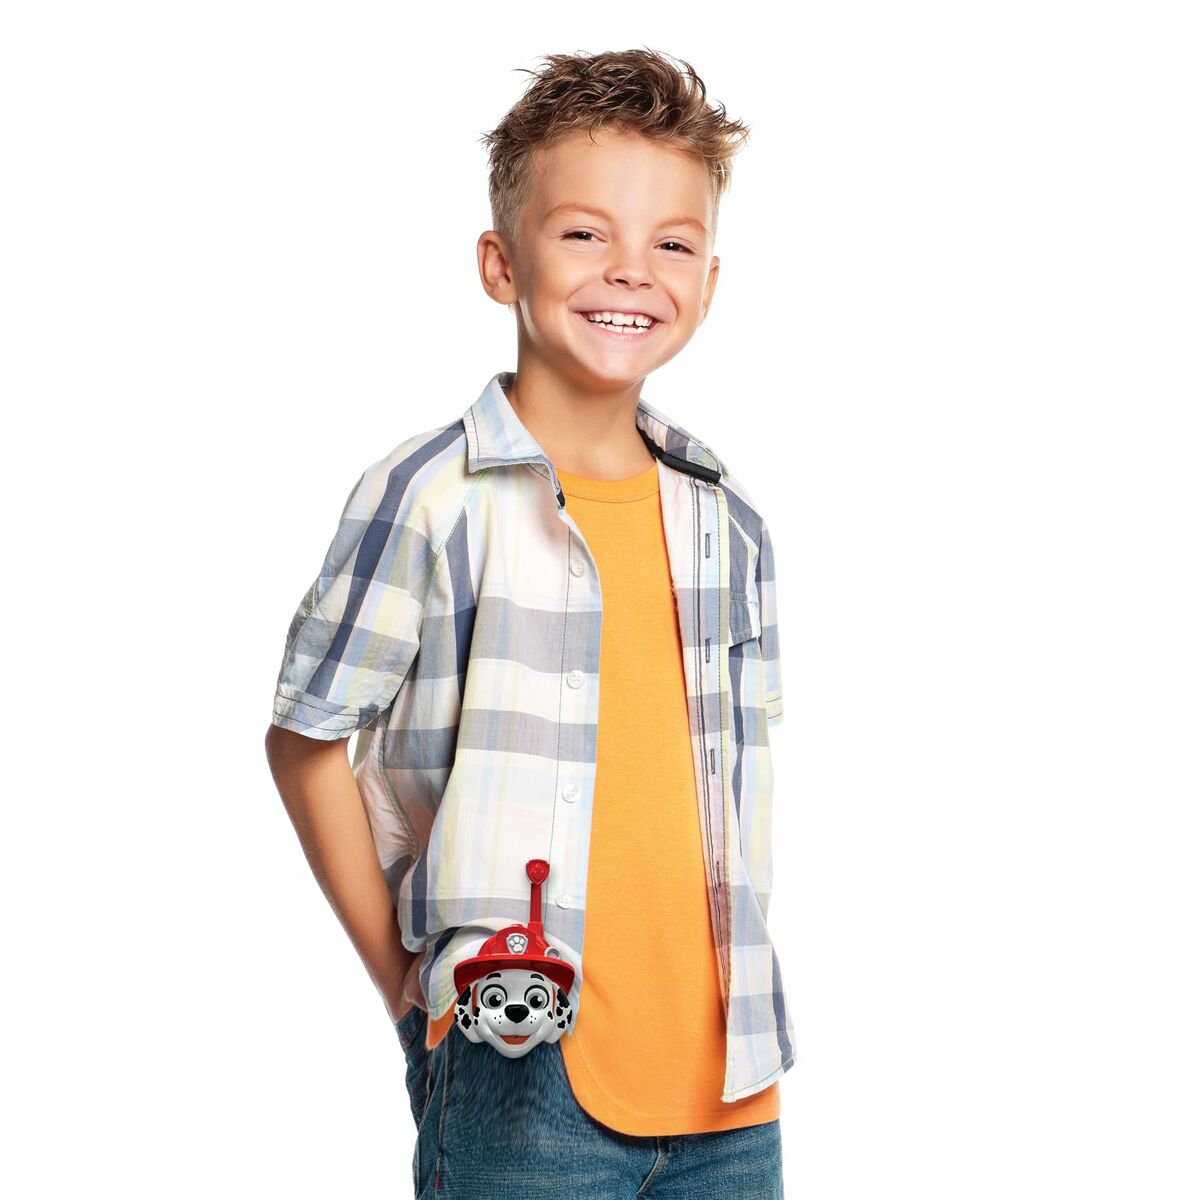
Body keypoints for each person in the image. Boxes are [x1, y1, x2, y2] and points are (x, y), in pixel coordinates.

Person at [265, 47, 793, 1200]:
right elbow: (305, 739)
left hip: (733, 1084)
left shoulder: (728, 520)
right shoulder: (429, 496)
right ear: (501, 263)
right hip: (520, 1062)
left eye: (672, 244)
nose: (632, 269)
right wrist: (405, 982)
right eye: (585, 233)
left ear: (710, 281)